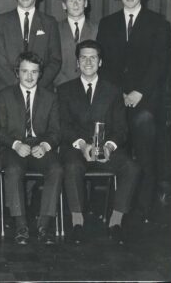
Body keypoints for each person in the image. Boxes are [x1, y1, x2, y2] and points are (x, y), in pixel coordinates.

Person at [96, 0, 170, 222]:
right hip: (117, 100)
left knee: (145, 152)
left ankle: (144, 207)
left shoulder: (158, 23)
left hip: (146, 100)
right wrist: (120, 94)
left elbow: (160, 64)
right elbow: (102, 65)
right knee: (118, 154)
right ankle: (118, 207)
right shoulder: (107, 23)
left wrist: (138, 93)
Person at [58, 40, 140, 245]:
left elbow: (121, 129)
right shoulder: (65, 90)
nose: (88, 61)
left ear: (100, 62)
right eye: (83, 57)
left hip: (106, 148)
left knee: (131, 167)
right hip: (78, 149)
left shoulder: (113, 91)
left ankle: (115, 222)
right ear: (77, 62)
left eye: (93, 57)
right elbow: (63, 126)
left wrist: (108, 147)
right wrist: (83, 145)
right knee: (72, 166)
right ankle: (77, 222)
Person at [0, 51, 62, 245]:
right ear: (17, 72)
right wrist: (16, 145)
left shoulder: (50, 97)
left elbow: (56, 131)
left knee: (57, 169)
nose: (29, 76)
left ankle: (44, 225)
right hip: (14, 147)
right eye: (24, 71)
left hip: (40, 146)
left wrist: (45, 145)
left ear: (40, 73)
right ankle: (21, 226)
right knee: (14, 169)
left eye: (34, 72)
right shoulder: (5, 95)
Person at [0, 0, 61, 91]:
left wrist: (35, 85)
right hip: (8, 90)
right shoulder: (0, 22)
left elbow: (55, 60)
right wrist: (18, 87)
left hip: (41, 90)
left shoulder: (50, 23)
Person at [54, 0, 97, 87]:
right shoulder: (55, 29)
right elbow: (50, 60)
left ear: (85, 3)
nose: (76, 4)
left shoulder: (97, 29)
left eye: (79, 0)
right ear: (64, 5)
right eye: (71, 1)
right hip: (61, 86)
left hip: (90, 86)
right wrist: (61, 82)